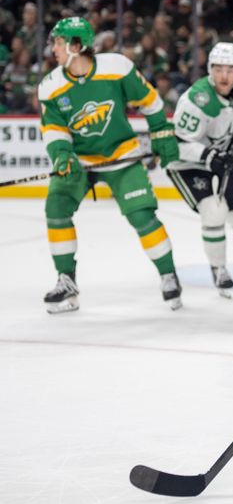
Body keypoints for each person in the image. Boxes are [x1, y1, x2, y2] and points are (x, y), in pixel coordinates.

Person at [38, 17, 182, 313]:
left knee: (142, 216)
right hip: (81, 161)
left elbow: (151, 101)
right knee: (56, 209)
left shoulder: (116, 68)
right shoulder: (50, 86)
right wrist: (62, 155)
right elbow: (54, 130)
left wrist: (161, 130)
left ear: (76, 46)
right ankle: (66, 281)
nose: (53, 48)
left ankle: (168, 274)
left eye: (58, 42)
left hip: (121, 155)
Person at [162, 42, 233, 297]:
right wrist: (210, 155)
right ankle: (218, 268)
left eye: (230, 70)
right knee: (214, 211)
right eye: (218, 69)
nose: (224, 76)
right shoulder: (196, 100)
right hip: (186, 164)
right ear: (209, 69)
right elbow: (178, 144)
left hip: (215, 159)